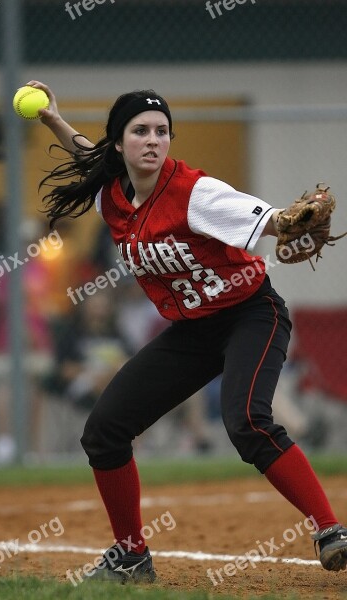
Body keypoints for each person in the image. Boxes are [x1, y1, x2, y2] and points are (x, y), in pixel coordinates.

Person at [28, 80, 347, 582]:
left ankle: (331, 530)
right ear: (119, 144)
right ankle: (132, 558)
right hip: (192, 332)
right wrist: (52, 119)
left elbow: (268, 220)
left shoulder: (196, 193)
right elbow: (88, 156)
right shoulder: (111, 196)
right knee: (104, 431)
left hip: (250, 314)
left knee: (247, 420)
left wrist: (289, 219)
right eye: (140, 131)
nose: (153, 139)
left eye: (162, 130)